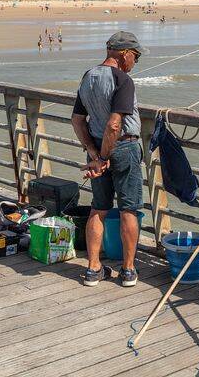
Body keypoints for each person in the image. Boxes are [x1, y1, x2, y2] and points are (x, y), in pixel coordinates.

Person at [71, 31, 145, 289]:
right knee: (129, 209)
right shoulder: (123, 80)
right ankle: (128, 270)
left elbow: (77, 120)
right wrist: (102, 157)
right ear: (125, 53)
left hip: (96, 153)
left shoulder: (88, 76)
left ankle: (92, 269)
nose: (135, 62)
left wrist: (93, 153)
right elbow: (115, 125)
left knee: (98, 208)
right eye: (135, 57)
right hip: (123, 148)